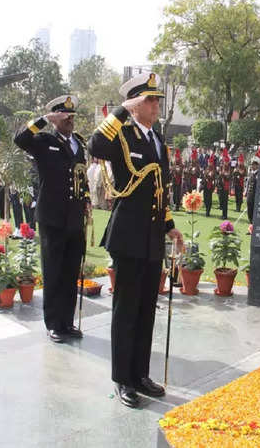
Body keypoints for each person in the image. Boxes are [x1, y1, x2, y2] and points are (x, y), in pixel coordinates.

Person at [88, 72, 184, 409]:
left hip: (152, 237)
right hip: (127, 236)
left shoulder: (157, 140)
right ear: (135, 103)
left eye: (158, 100)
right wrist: (119, 111)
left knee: (146, 310)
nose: (157, 105)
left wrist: (170, 226)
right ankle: (123, 379)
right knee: (125, 310)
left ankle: (140, 374)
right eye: (150, 100)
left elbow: (162, 190)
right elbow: (94, 146)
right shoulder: (123, 135)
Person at [14, 94, 90, 344]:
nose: (70, 120)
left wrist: (86, 202)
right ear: (56, 118)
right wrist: (43, 120)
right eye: (64, 116)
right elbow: (20, 139)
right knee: (54, 272)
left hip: (74, 218)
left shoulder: (79, 143)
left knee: (70, 272)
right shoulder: (44, 141)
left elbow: (81, 177)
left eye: (72, 116)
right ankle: (53, 324)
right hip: (52, 217)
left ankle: (67, 322)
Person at [217, 149, 232, 219]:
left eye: (226, 161)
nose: (225, 162)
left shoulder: (229, 168)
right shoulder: (221, 167)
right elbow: (219, 174)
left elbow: (228, 176)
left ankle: (225, 215)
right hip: (221, 185)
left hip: (226, 186)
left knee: (225, 201)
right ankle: (223, 214)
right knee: (222, 200)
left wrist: (223, 174)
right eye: (224, 161)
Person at [246, 155, 260, 224]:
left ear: (257, 165)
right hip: (250, 195)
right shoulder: (251, 173)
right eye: (252, 164)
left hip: (255, 196)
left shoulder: (259, 174)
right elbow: (248, 183)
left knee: (254, 213)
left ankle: (253, 228)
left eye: (254, 164)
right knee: (249, 212)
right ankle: (250, 227)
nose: (252, 166)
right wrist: (246, 192)